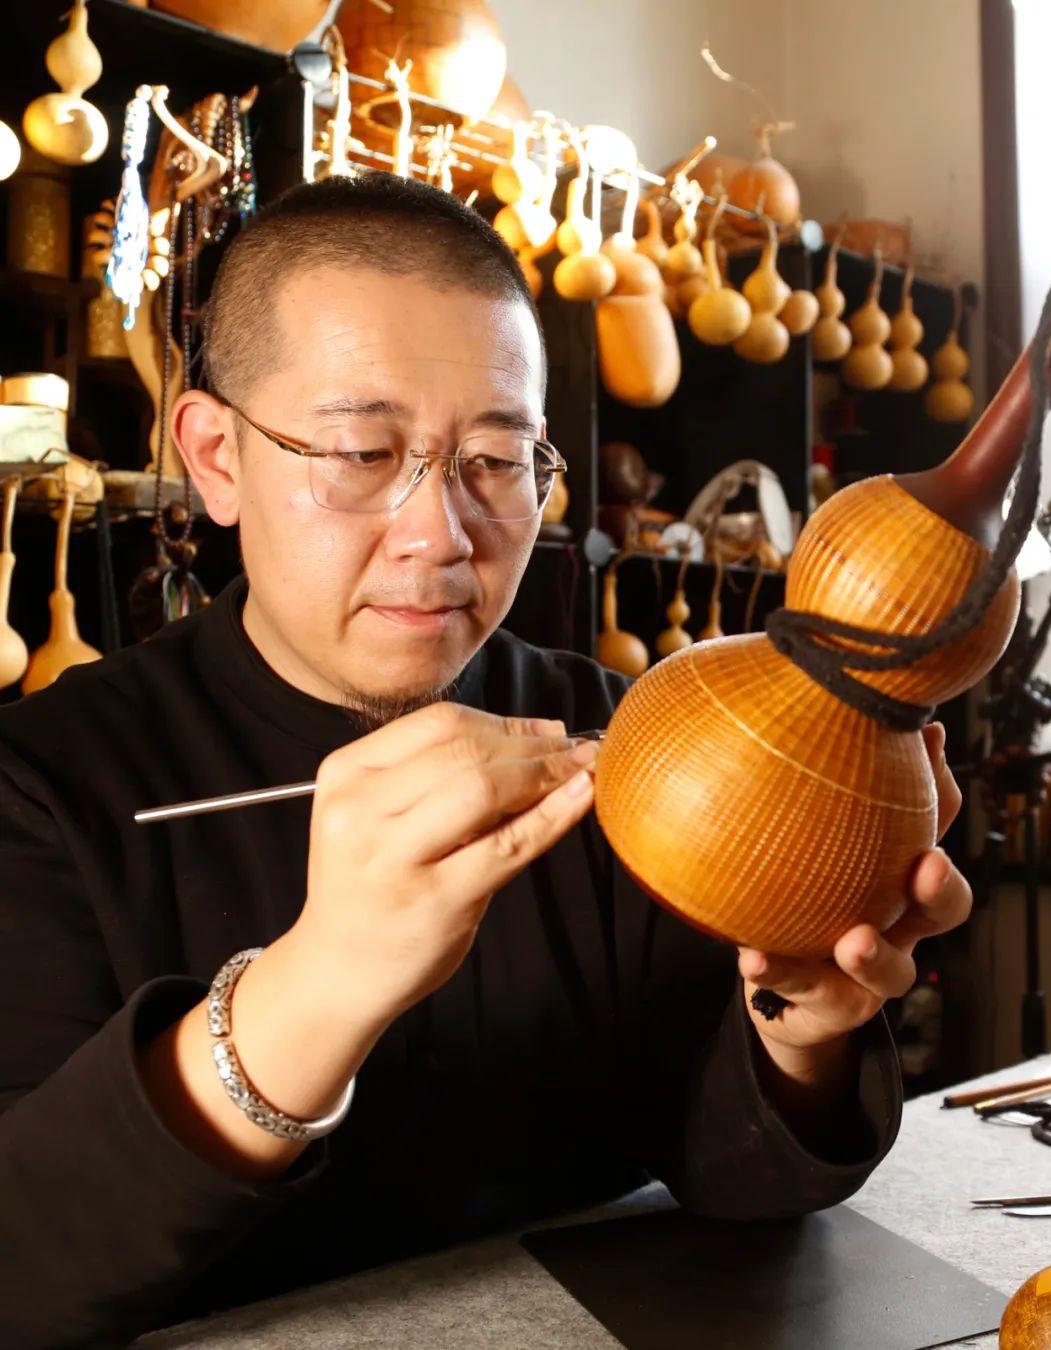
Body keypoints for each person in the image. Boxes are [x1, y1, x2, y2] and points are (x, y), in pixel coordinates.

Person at [0, 175, 970, 1349]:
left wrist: (801, 1022)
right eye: (363, 451)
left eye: (499, 460)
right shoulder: (42, 786)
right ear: (215, 458)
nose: (439, 533)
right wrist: (319, 983)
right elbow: (20, 1273)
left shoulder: (621, 736)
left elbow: (727, 1178)